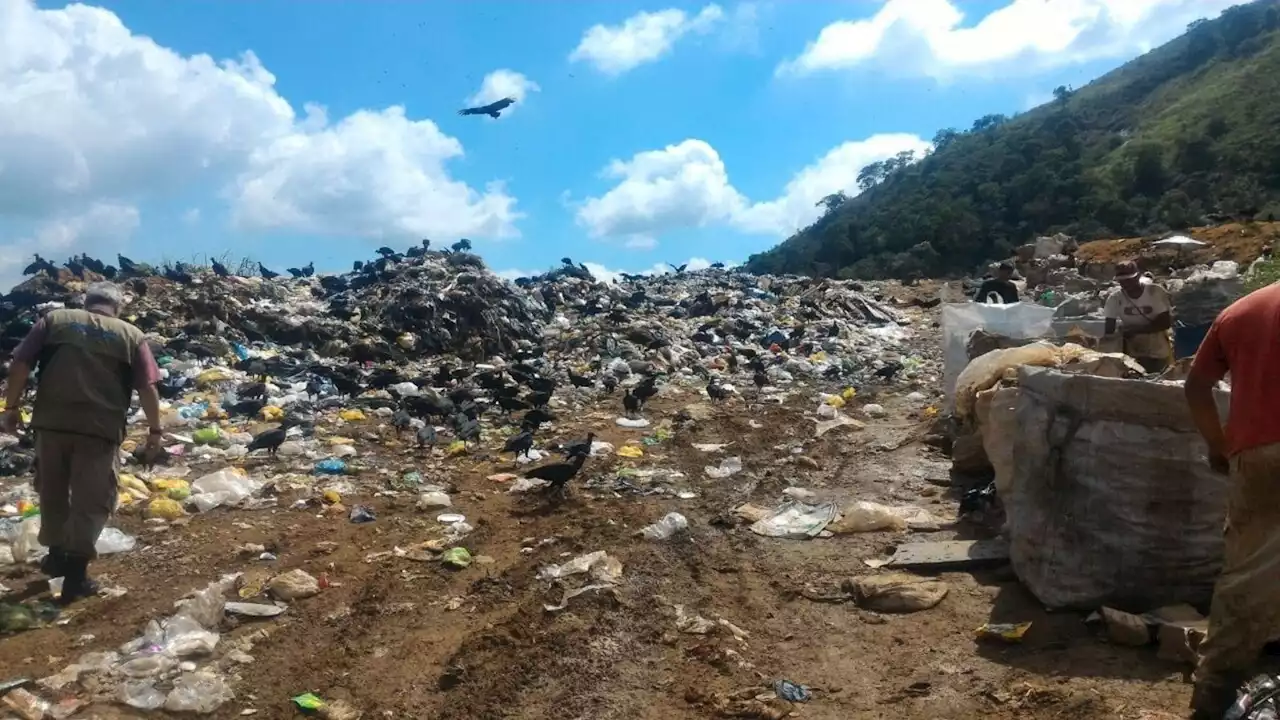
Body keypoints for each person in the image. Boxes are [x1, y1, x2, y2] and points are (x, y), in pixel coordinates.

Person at [1, 282, 163, 603]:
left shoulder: (54, 321)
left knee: (53, 490)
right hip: (99, 430)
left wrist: (12, 408)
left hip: (52, 424)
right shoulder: (131, 336)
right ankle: (75, 575)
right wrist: (155, 431)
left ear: (87, 302)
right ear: (117, 307)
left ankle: (56, 555)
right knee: (92, 499)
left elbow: (19, 364)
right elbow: (147, 388)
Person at [1184, 282, 1280, 719]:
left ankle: (1213, 696)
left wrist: (1217, 446)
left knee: (1247, 576)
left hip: (1257, 455)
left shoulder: (1242, 310)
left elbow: (1197, 386)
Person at [1103, 260, 1173, 373]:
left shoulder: (1154, 292)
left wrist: (1134, 331)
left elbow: (1165, 323)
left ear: (1138, 276)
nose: (1126, 283)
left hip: (1157, 348)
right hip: (1133, 351)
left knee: (1158, 376)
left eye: (1129, 280)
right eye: (1122, 281)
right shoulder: (1115, 299)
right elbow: (1109, 329)